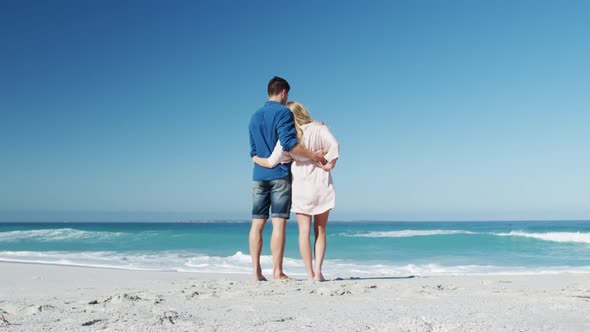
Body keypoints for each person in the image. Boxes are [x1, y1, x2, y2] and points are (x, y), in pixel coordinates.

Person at [248, 77, 326, 281]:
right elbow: (290, 143)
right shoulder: (283, 112)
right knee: (278, 223)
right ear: (283, 92)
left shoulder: (254, 117)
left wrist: (259, 160)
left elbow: (254, 152)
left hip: (258, 175)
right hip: (280, 175)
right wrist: (313, 155)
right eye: (287, 94)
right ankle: (277, 271)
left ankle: (256, 272)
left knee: (257, 223)